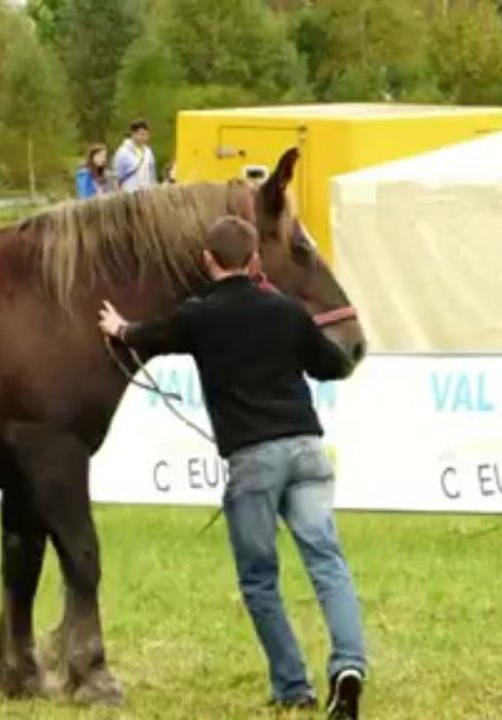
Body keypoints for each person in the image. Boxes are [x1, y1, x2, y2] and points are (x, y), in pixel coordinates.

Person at [96, 216, 366, 720]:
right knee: (326, 562)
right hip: (306, 447)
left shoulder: (199, 316)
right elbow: (334, 365)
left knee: (260, 578)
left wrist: (119, 327)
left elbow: (143, 336)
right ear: (256, 261)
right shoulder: (287, 311)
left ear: (207, 262)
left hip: (252, 458)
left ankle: (292, 687)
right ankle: (348, 668)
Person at [111, 119, 157, 194]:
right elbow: (116, 177)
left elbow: (152, 175)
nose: (144, 138)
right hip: (129, 194)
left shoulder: (148, 152)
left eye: (146, 134)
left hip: (146, 195)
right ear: (133, 134)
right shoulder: (123, 153)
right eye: (141, 134)